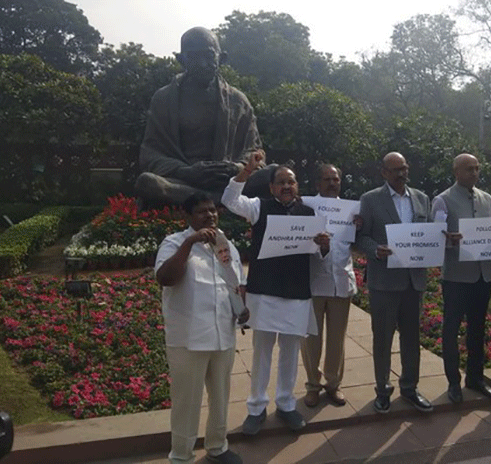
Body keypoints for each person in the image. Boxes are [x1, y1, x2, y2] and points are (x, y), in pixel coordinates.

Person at [221, 151, 329, 435]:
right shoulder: (259, 207)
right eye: (281, 182)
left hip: (296, 292)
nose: (286, 186)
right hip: (265, 291)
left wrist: (323, 244)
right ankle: (256, 408)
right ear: (271, 187)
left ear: (297, 187)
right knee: (262, 352)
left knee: (291, 352)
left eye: (291, 182)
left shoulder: (309, 214)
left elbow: (318, 253)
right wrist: (246, 171)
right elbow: (230, 201)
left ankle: (285, 405)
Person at [155, 192, 247, 464]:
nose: (210, 215)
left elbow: (236, 283)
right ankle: (181, 456)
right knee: (187, 401)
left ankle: (217, 447)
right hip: (188, 338)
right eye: (202, 212)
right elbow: (166, 278)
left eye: (213, 210)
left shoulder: (225, 245)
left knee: (221, 396)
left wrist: (242, 308)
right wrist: (189, 242)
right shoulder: (173, 243)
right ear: (187, 217)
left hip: (222, 334)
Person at [136, 27, 271, 205]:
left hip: (229, 181)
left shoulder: (238, 101)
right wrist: (186, 171)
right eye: (193, 57)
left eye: (208, 56)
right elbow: (150, 155)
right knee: (148, 183)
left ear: (221, 58)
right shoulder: (163, 99)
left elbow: (255, 153)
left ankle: (205, 200)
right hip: (183, 180)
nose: (202, 64)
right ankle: (220, 201)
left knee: (273, 173)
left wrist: (235, 168)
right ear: (181, 59)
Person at [356, 152, 434, 414]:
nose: (401, 173)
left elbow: (429, 233)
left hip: (414, 281)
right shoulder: (370, 200)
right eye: (395, 169)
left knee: (412, 338)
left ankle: (410, 388)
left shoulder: (422, 199)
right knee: (383, 339)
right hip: (384, 281)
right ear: (384, 173)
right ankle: (382, 389)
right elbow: (361, 236)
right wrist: (376, 249)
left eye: (404, 168)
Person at [433, 153, 491, 404]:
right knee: (450, 329)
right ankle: (453, 382)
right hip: (457, 276)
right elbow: (435, 238)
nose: (474, 173)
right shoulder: (443, 201)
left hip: (483, 274)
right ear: (456, 172)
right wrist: (449, 240)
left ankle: (475, 377)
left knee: (478, 328)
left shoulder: (487, 199)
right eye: (468, 169)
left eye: (477, 168)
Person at [300, 164, 359, 408]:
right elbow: (298, 243)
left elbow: (352, 243)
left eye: (336, 179)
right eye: (327, 179)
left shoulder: (350, 210)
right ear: (317, 184)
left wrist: (360, 225)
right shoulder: (306, 208)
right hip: (314, 282)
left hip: (341, 281)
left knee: (337, 338)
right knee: (311, 339)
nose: (332, 183)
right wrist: (319, 246)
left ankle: (333, 384)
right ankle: (313, 385)